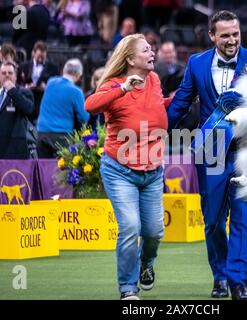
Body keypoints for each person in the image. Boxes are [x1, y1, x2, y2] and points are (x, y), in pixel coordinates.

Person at [167, 10, 247, 300]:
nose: (232, 40)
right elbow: (180, 104)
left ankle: (239, 283)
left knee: (243, 217)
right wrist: (156, 131)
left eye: (235, 34)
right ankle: (220, 275)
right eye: (225, 35)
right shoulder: (196, 63)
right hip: (210, 151)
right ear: (212, 35)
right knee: (212, 220)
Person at [85, 34, 171, 300]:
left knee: (154, 231)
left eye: (151, 48)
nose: (152, 52)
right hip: (119, 170)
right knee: (131, 227)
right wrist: (123, 87)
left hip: (153, 171)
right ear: (131, 59)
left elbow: (154, 109)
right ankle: (128, 289)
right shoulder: (113, 85)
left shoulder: (155, 80)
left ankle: (146, 265)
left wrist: (175, 101)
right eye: (146, 50)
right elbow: (89, 105)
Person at [37, 58, 89, 158]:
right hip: (62, 135)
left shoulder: (50, 82)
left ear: (64, 71)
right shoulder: (76, 91)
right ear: (78, 75)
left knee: (43, 169)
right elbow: (84, 117)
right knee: (62, 171)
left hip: (42, 132)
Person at [0, 62, 35, 159]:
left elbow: (29, 109)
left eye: (10, 73)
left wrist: (12, 90)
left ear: (15, 76)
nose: (7, 75)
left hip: (12, 151)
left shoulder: (24, 92)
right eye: (3, 73)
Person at [18, 41, 59, 123]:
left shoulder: (53, 68)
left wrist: (46, 87)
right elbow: (18, 83)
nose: (41, 59)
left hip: (44, 100)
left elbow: (57, 86)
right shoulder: (23, 66)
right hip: (27, 99)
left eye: (43, 57)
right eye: (39, 56)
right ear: (33, 53)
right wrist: (27, 87)